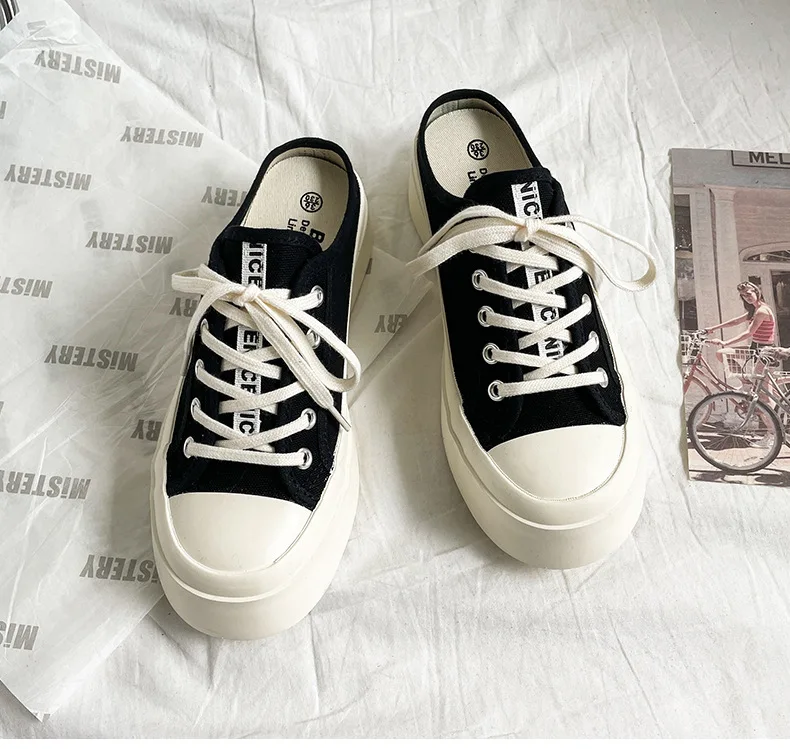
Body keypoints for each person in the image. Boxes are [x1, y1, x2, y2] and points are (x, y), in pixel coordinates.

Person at [705, 281, 776, 362]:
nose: (747, 297)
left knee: (722, 354)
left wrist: (725, 343)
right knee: (721, 353)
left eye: (748, 294)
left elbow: (749, 333)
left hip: (764, 350)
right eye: (743, 295)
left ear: (756, 292)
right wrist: (712, 328)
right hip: (755, 347)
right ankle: (737, 371)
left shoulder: (762, 311)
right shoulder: (754, 310)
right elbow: (736, 321)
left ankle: (740, 372)